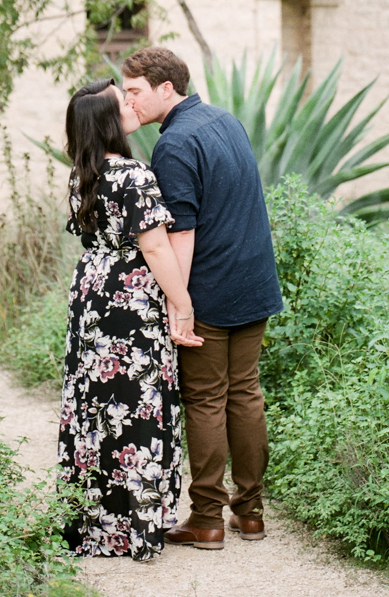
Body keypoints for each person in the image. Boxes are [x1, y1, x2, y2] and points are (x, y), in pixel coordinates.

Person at [122, 46, 283, 551]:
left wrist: (179, 303)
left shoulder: (173, 145)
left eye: (135, 91)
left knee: (208, 400)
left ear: (165, 88)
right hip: (254, 283)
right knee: (246, 394)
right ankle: (251, 513)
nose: (129, 102)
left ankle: (208, 518)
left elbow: (181, 234)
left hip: (210, 291)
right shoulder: (225, 120)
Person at [57, 77, 202, 563]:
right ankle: (133, 526)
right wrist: (181, 303)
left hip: (92, 294)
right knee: (137, 404)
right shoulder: (133, 175)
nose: (133, 103)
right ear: (108, 120)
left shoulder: (83, 173)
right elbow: (156, 245)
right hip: (130, 299)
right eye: (124, 102)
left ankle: (91, 525)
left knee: (95, 406)